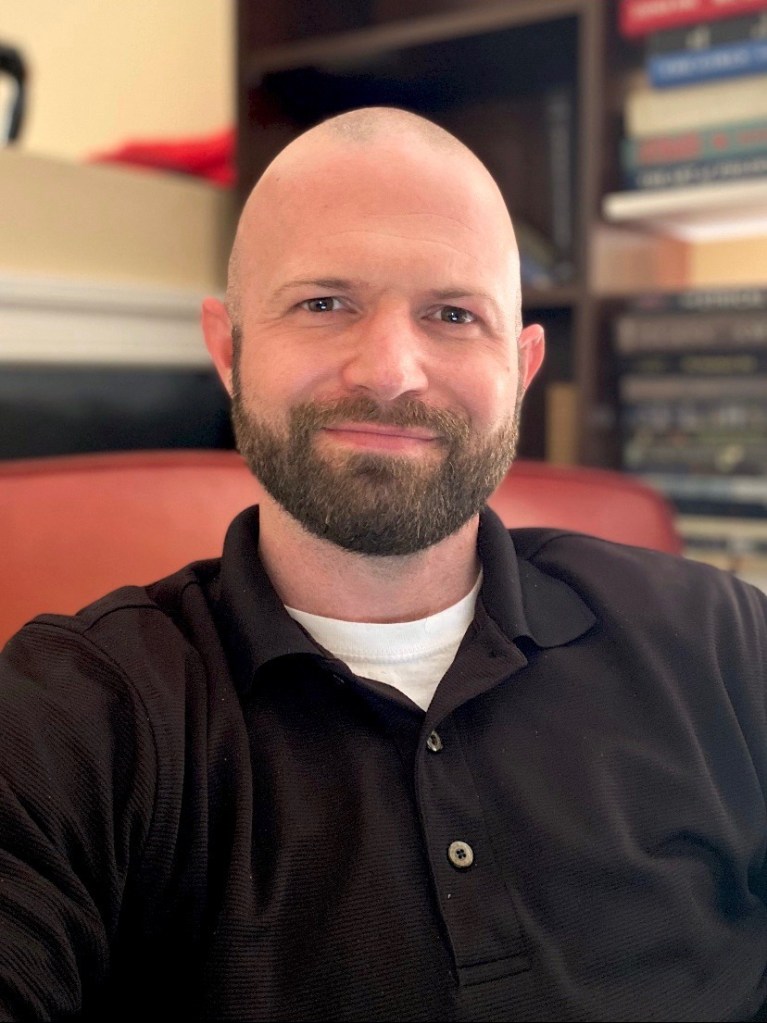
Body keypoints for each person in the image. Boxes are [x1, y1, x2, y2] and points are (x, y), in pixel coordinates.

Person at [2, 106, 767, 1023]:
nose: (390, 372)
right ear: (229, 349)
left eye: (453, 314)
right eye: (325, 303)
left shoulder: (720, 640)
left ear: (521, 369)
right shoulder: (74, 716)